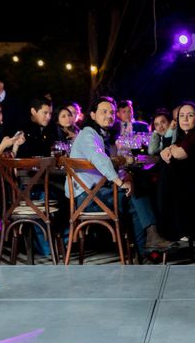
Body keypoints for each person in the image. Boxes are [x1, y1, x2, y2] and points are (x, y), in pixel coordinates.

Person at [68, 97, 172, 260]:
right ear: (93, 115)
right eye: (104, 111)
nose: (109, 115)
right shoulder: (88, 134)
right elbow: (99, 158)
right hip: (87, 198)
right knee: (136, 194)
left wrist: (126, 177)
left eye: (111, 112)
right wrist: (120, 181)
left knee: (135, 198)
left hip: (97, 193)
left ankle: (146, 249)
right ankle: (149, 244)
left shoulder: (101, 135)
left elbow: (112, 164)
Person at [158, 102, 195, 240]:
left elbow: (178, 154)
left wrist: (169, 150)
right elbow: (166, 152)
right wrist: (168, 150)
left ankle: (165, 232)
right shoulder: (185, 136)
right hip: (186, 186)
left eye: (190, 115)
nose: (185, 119)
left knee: (157, 179)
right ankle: (161, 230)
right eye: (181, 116)